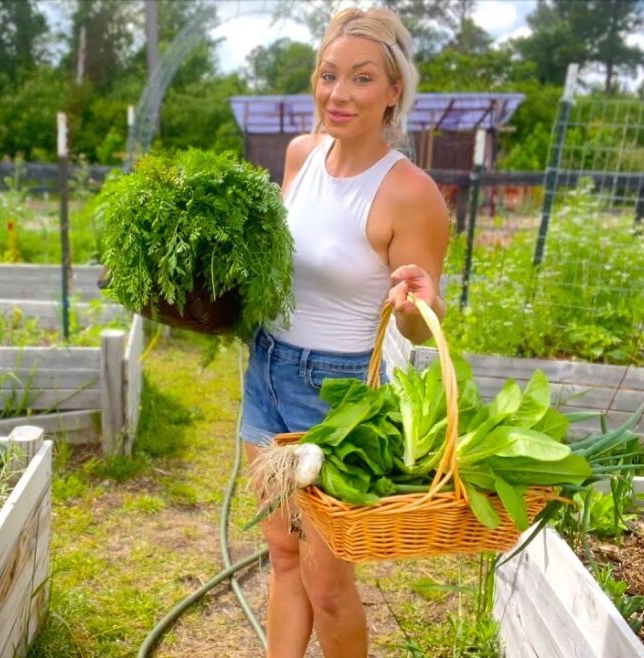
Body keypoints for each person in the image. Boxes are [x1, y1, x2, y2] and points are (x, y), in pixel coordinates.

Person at [239, 7, 450, 658]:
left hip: (336, 395)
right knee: (280, 551)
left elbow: (415, 325)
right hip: (268, 372)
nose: (338, 93)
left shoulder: (411, 194)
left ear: (394, 91)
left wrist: (416, 301)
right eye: (328, 75)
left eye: (361, 78)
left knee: (327, 580)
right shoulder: (301, 155)